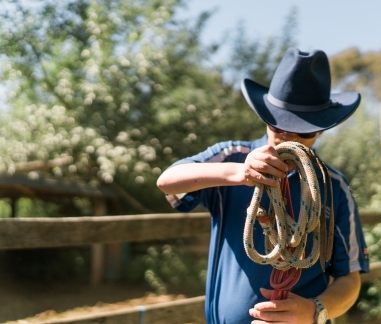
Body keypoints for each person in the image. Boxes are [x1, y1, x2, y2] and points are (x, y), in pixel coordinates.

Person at [157, 48, 369, 324]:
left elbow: (350, 279)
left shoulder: (333, 187)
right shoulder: (232, 156)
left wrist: (313, 311)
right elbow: (167, 182)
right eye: (279, 126)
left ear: (321, 129)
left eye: (303, 130)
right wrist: (237, 172)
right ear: (266, 116)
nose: (289, 137)